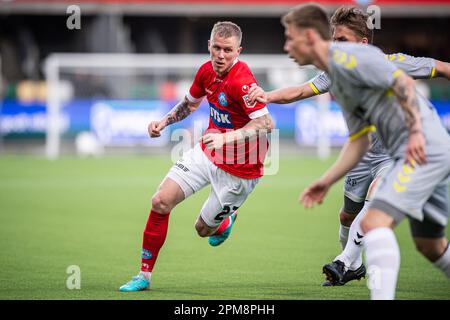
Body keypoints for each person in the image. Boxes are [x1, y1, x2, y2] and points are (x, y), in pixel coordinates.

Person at [247, 5, 450, 286]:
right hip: (382, 153)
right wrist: (326, 181)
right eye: (335, 39)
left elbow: (408, 81)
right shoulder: (339, 78)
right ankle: (351, 262)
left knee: (374, 222)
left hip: (413, 150)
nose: (286, 46)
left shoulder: (370, 60)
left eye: (290, 38)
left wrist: (415, 132)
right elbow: (359, 140)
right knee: (430, 245)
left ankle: (346, 261)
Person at [119, 21, 274, 292]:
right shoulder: (206, 71)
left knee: (202, 230)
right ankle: (144, 276)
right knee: (160, 201)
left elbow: (265, 123)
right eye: (216, 48)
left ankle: (225, 221)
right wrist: (164, 122)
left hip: (240, 171)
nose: (221, 55)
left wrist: (226, 137)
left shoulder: (242, 82)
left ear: (239, 50)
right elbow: (190, 103)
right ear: (209, 46)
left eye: (228, 50)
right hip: (208, 152)